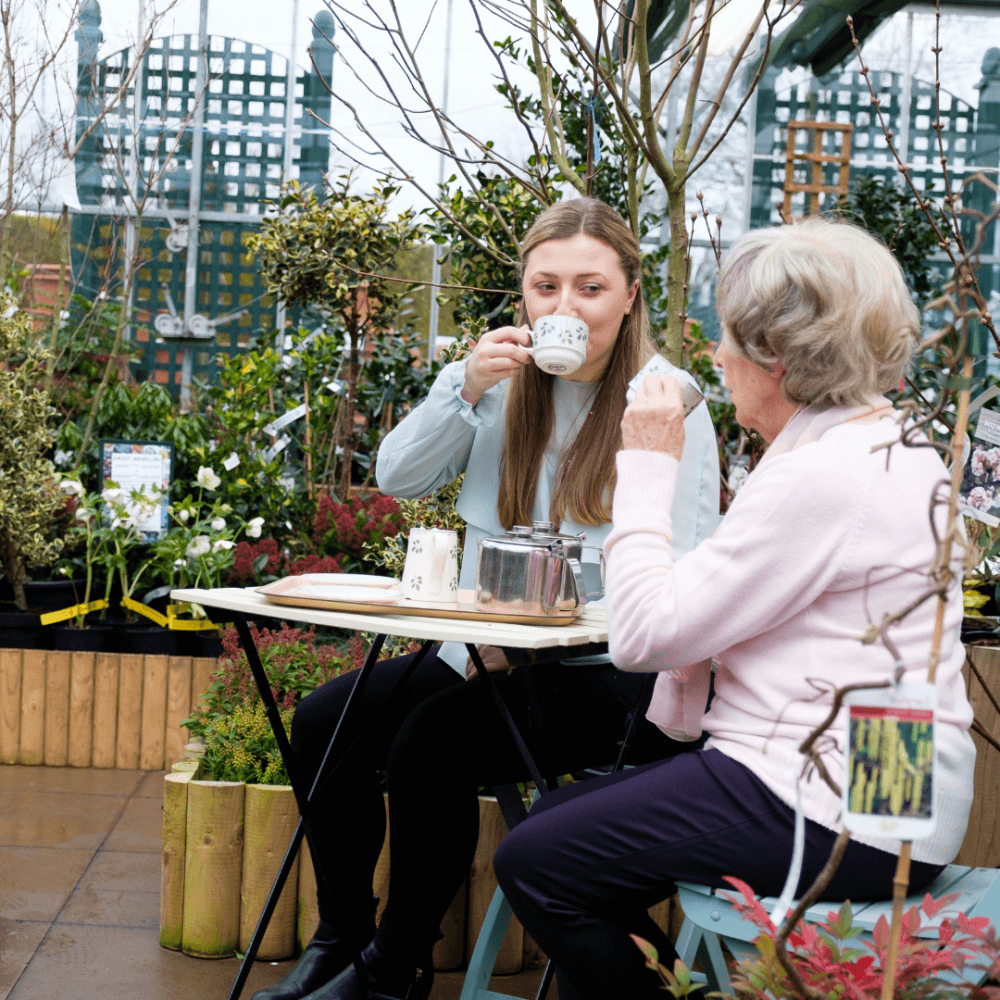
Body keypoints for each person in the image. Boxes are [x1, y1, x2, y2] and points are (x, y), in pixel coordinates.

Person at [492, 216, 978, 1000]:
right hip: (894, 785)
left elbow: (645, 634)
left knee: (536, 859)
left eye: (727, 339)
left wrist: (645, 463)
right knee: (563, 819)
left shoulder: (823, 476)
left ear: (778, 358)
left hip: (837, 801)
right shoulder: (896, 449)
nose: (715, 357)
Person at [251, 198, 721, 1000]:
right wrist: (460, 388)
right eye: (545, 287)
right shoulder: (499, 382)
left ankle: (393, 970)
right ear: (524, 294)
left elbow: (679, 578)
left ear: (630, 294)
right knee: (326, 721)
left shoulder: (665, 401)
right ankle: (343, 938)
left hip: (611, 673)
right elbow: (398, 477)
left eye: (589, 288)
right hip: (486, 654)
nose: (563, 308)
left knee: (430, 740)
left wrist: (535, 634)